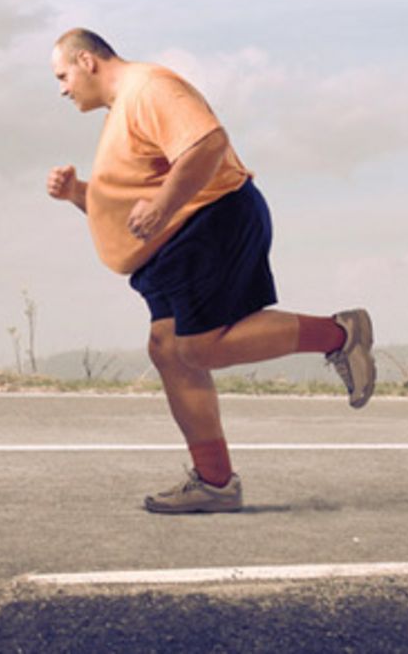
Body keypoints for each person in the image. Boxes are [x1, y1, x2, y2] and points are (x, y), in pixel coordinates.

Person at [46, 28, 377, 514]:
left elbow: (208, 145)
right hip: (174, 241)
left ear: (87, 61)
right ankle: (216, 482)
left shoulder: (149, 88)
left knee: (197, 348)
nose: (62, 89)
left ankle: (340, 334)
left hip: (210, 222)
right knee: (169, 351)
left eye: (62, 75)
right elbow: (139, 194)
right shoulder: (122, 111)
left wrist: (162, 205)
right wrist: (80, 195)